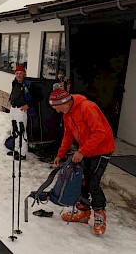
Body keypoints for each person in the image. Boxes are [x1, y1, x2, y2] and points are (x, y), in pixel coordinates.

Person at [49, 85, 114, 236]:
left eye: (57, 108)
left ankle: (99, 215)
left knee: (93, 182)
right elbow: (68, 135)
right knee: (82, 179)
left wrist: (81, 151)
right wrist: (60, 154)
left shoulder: (87, 107)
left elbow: (100, 133)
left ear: (64, 102)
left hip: (102, 149)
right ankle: (84, 212)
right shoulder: (67, 113)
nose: (57, 111)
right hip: (87, 150)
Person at [7, 65, 35, 160]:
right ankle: (16, 150)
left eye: (20, 74)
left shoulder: (28, 85)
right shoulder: (14, 82)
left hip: (21, 110)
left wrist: (28, 105)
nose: (18, 75)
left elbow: (37, 97)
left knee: (21, 131)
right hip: (13, 109)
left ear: (24, 74)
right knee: (13, 129)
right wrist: (10, 100)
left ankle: (22, 153)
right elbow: (13, 93)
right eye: (17, 73)